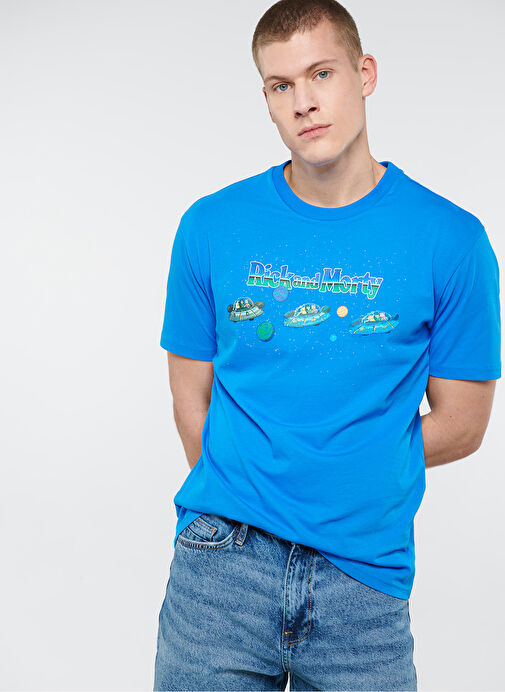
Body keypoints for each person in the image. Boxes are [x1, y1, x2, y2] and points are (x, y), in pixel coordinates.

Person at [153, 1, 501, 690]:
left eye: (321, 74)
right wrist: (249, 492)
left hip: (362, 583)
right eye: (280, 85)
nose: (303, 103)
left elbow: (463, 424)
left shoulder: (451, 240)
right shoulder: (210, 226)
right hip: (220, 570)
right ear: (266, 99)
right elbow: (189, 397)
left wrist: (338, 465)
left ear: (363, 74)